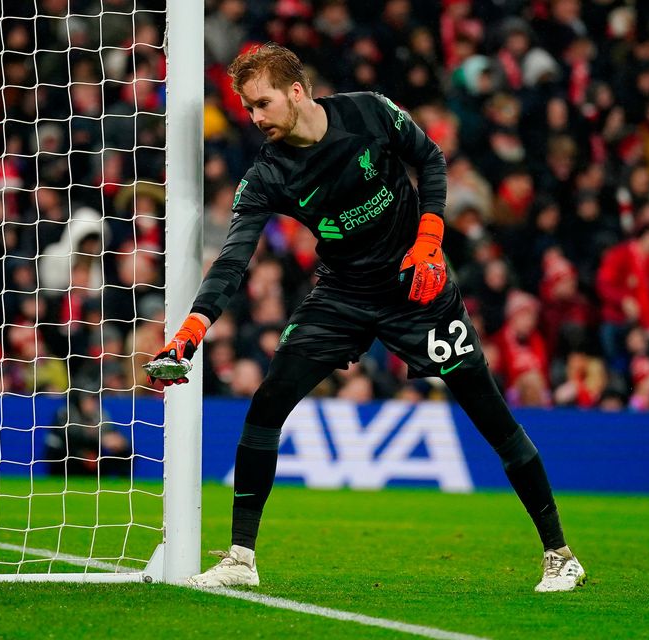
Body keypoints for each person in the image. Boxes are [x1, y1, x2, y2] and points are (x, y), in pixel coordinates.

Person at [146, 44, 585, 593]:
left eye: (262, 104)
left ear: (296, 92)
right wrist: (193, 329)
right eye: (248, 109)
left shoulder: (369, 112)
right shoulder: (267, 175)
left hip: (417, 289)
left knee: (491, 418)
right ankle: (240, 558)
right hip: (342, 295)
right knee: (266, 405)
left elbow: (430, 159)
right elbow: (234, 258)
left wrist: (429, 241)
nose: (255, 119)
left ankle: (560, 555)